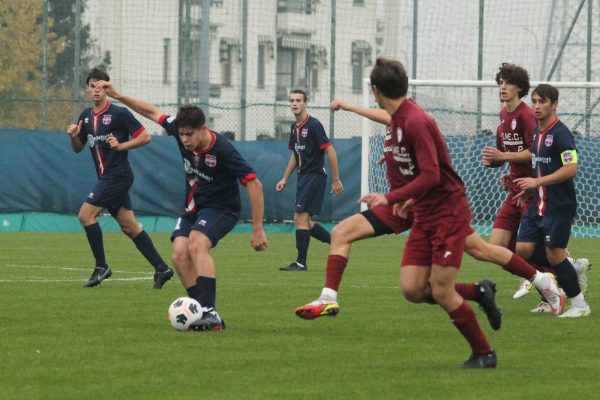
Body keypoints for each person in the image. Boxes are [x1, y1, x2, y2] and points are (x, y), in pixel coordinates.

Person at [295, 98, 562, 325]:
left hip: (430, 206)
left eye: (378, 90)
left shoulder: (410, 117)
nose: (377, 97)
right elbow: (392, 134)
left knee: (481, 251)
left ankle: (539, 280)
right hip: (402, 206)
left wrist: (349, 106)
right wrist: (388, 155)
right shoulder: (396, 123)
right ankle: (328, 297)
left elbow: (430, 167)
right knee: (342, 232)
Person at [95, 81, 269, 331]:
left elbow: (254, 184)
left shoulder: (222, 150)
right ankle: (200, 310)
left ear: (202, 129)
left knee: (197, 244)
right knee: (178, 254)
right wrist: (118, 95)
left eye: (189, 134)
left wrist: (258, 229)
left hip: (222, 209)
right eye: (181, 134)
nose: (184, 139)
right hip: (193, 209)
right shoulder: (179, 130)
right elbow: (152, 112)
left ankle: (210, 312)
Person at [481, 64, 590, 302]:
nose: (502, 87)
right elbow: (523, 152)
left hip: (536, 191)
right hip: (519, 188)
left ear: (519, 87)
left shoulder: (533, 118)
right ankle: (552, 272)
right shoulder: (505, 116)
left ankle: (552, 284)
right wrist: (507, 169)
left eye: (507, 83)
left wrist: (508, 161)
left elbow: (538, 153)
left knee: (539, 248)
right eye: (500, 82)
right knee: (499, 247)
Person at [66, 68, 174, 289]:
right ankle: (162, 268)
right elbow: (78, 149)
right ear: (87, 89)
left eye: (101, 85)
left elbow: (145, 137)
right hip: (108, 178)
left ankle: (101, 266)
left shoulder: (119, 113)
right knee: (130, 227)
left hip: (118, 176)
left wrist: (121, 145)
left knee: (85, 216)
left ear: (107, 88)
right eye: (92, 85)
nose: (97, 89)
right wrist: (74, 137)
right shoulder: (85, 116)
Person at [513, 84, 591, 318]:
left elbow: (571, 168)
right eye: (534, 101)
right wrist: (530, 189)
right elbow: (541, 167)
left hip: (558, 206)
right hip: (538, 204)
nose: (536, 106)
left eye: (542, 102)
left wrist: (538, 183)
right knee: (523, 249)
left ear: (554, 104)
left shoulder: (561, 133)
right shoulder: (538, 132)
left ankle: (579, 305)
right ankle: (567, 269)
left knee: (554, 255)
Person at [276, 89, 344, 271]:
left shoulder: (314, 125)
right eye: (291, 100)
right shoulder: (294, 127)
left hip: (314, 176)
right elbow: (295, 155)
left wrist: (336, 179)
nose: (294, 103)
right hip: (302, 177)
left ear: (305, 103)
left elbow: (330, 150)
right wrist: (285, 178)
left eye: (298, 100)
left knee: (300, 217)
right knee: (304, 221)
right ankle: (337, 242)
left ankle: (300, 263)